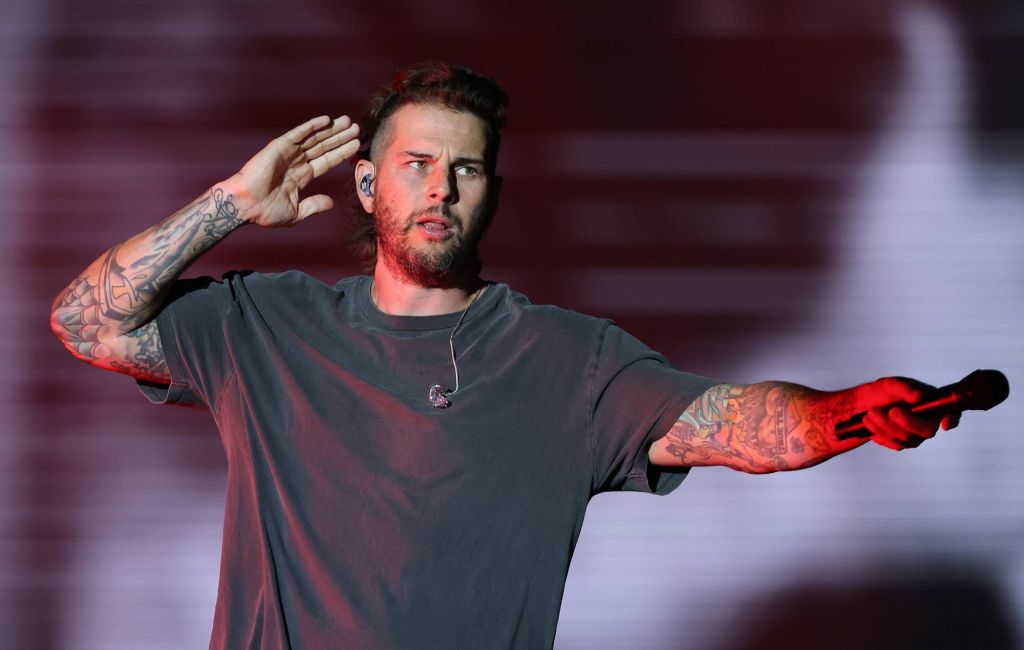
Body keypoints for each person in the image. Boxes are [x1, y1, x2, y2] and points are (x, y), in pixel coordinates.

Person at [49, 62, 958, 649]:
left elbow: (728, 423)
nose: (440, 187)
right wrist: (227, 205)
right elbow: (89, 326)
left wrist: (841, 416)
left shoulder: (569, 359)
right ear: (366, 184)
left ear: (490, 193)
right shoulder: (268, 323)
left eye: (467, 169)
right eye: (415, 164)